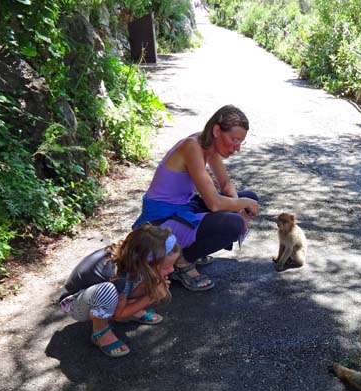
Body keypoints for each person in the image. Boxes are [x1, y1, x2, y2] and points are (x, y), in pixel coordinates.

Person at [132, 104, 261, 291]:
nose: (237, 148)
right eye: (234, 140)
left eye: (240, 142)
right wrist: (241, 206)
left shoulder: (208, 144)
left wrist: (241, 207)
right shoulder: (192, 146)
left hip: (183, 208)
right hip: (159, 222)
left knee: (249, 198)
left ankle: (188, 251)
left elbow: (225, 185)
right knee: (234, 223)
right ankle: (182, 262)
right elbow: (214, 204)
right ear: (217, 130)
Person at [58, 224, 180, 357]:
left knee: (148, 281)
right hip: (75, 303)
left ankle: (131, 308)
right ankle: (101, 331)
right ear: (145, 264)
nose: (172, 270)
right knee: (108, 290)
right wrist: (150, 296)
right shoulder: (118, 276)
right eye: (166, 267)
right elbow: (119, 315)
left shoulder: (133, 258)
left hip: (103, 292)